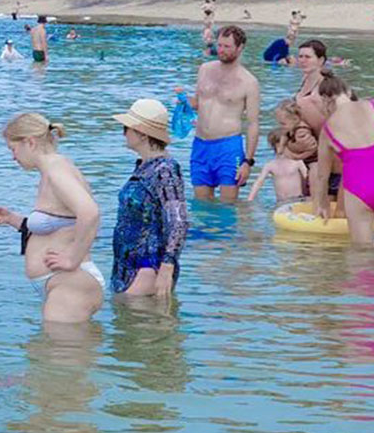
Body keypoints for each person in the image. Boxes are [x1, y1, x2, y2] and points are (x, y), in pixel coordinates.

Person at [0, 113, 103, 322]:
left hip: (70, 284)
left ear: (30, 142)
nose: (13, 157)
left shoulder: (56, 170)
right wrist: (11, 218)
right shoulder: (53, 169)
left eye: (13, 149)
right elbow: (61, 223)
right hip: (63, 283)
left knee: (60, 352)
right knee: (54, 352)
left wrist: (72, 258)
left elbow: (90, 212)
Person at [310, 73, 374, 244]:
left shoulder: (328, 130)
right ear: (348, 92)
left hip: (359, 189)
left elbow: (322, 176)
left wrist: (323, 204)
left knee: (361, 252)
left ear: (325, 101)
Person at [109, 99, 188, 297]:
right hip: (127, 265)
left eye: (126, 128)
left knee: (142, 323)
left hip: (147, 268)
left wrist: (167, 266)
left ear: (142, 134)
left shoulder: (165, 170)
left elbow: (178, 220)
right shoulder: (145, 166)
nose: (123, 133)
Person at [179, 25, 260, 202]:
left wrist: (248, 162)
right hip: (200, 145)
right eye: (220, 45)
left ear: (240, 48)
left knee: (227, 207)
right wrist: (184, 102)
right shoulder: (205, 69)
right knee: (201, 205)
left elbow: (253, 124)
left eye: (227, 47)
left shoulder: (249, 82)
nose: (221, 50)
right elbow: (198, 103)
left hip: (229, 147)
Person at [245, 130, 309, 204]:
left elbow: (307, 178)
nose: (283, 148)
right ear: (274, 146)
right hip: (281, 201)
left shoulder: (297, 162)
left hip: (297, 199)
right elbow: (258, 183)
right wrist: (250, 199)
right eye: (279, 145)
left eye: (285, 145)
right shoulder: (270, 165)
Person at [292, 39, 330, 132]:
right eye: (300, 56)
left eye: (307, 57)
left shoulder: (324, 86)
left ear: (320, 60)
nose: (302, 60)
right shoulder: (305, 78)